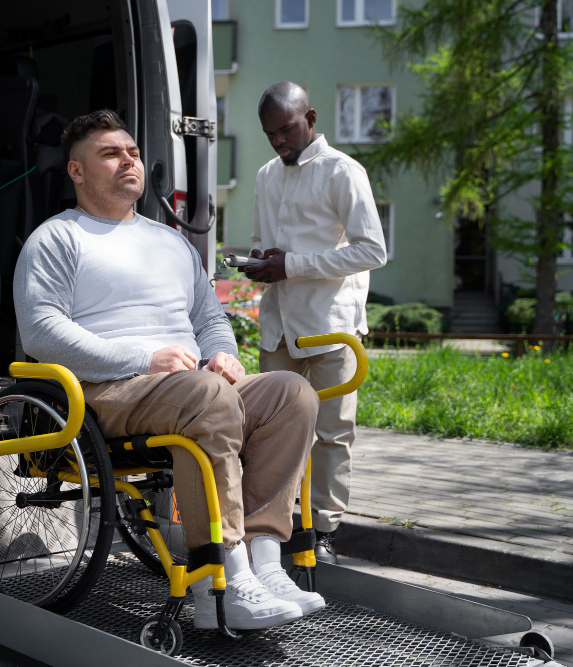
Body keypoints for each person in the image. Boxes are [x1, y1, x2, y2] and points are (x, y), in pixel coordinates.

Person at [13, 109, 324, 630]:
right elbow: (42, 332)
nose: (127, 160)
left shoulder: (170, 240)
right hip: (107, 390)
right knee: (205, 395)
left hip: (189, 386)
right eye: (110, 154)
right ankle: (217, 582)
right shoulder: (57, 238)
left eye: (132, 152)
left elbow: (208, 318)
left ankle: (265, 561)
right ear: (77, 172)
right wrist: (143, 358)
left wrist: (225, 352)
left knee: (292, 394)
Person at [244, 82, 387, 565]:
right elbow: (267, 242)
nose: (279, 142)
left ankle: (323, 529)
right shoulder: (266, 175)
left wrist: (292, 265)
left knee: (331, 432)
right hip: (279, 325)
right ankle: (272, 527)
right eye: (270, 135)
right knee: (268, 433)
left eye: (286, 130)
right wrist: (259, 261)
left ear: (311, 117)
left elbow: (373, 251)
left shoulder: (343, 171)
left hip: (331, 325)